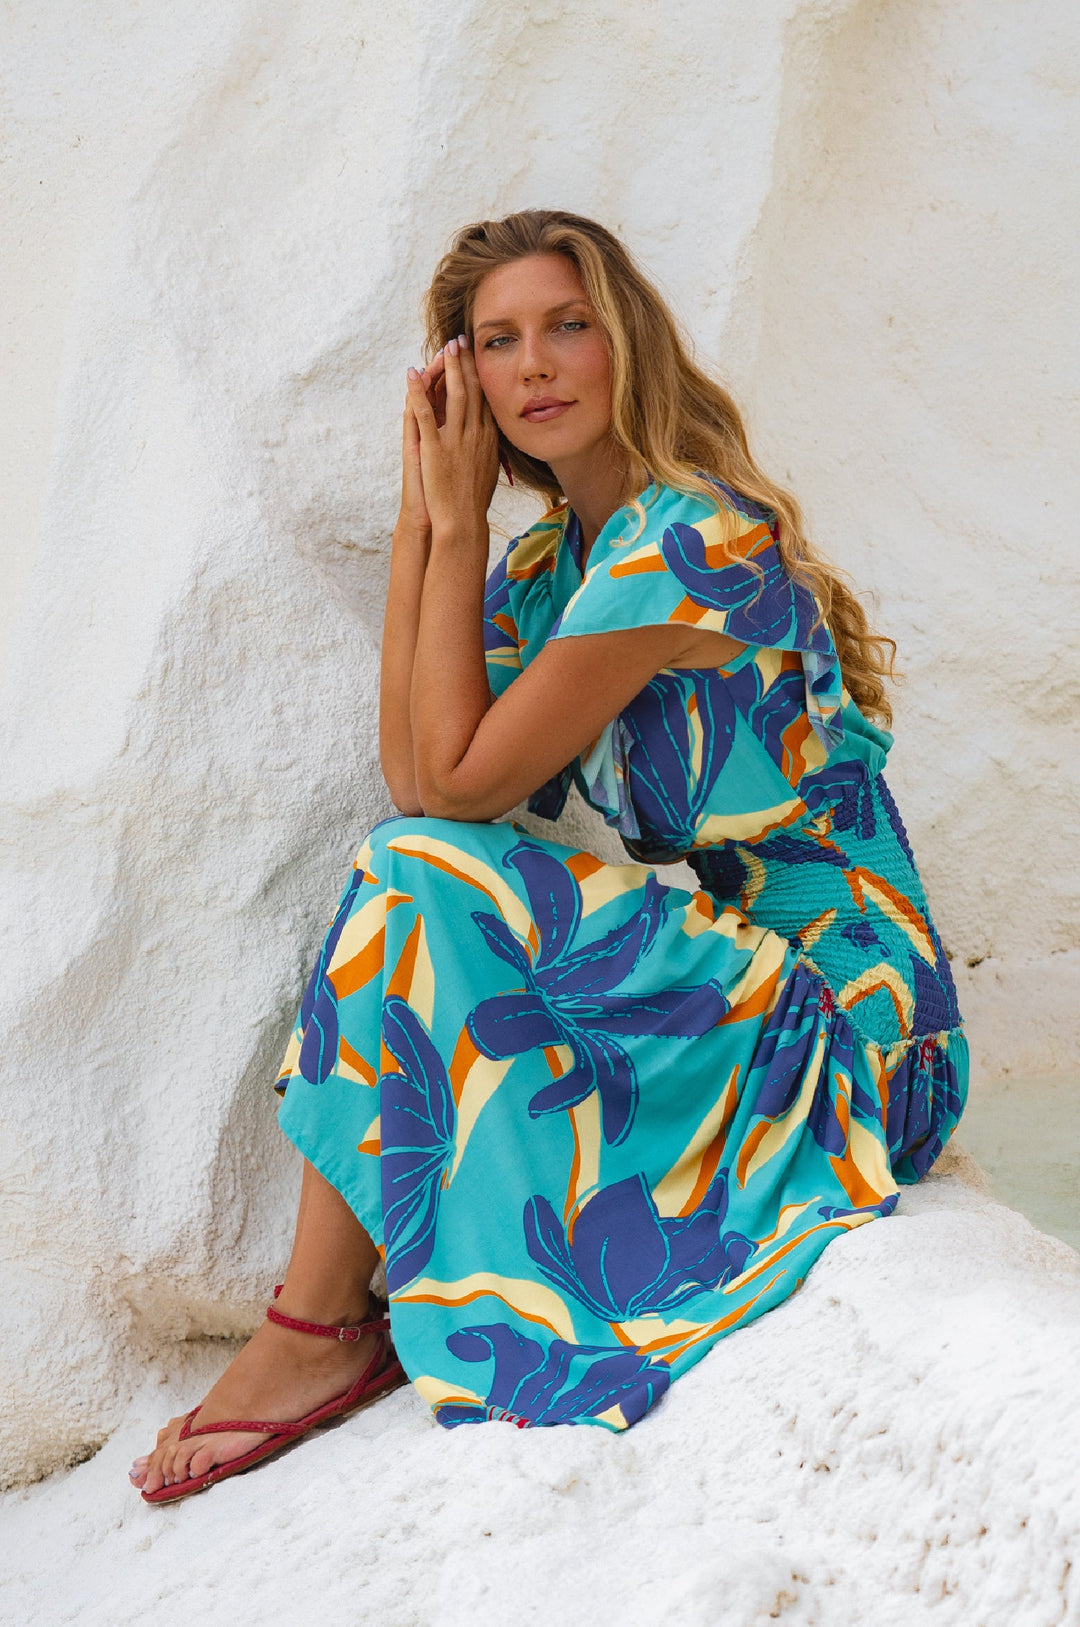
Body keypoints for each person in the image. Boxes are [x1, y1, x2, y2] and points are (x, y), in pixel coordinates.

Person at [132, 210, 966, 1503]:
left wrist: (457, 530)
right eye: (497, 341)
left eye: (568, 325)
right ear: (463, 379)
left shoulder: (690, 540)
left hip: (857, 1030)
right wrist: (427, 517)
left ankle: (319, 1329)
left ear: (626, 340)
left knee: (421, 868)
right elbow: (420, 777)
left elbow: (460, 788)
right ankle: (325, 1323)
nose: (534, 365)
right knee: (412, 862)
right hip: (741, 991)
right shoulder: (555, 566)